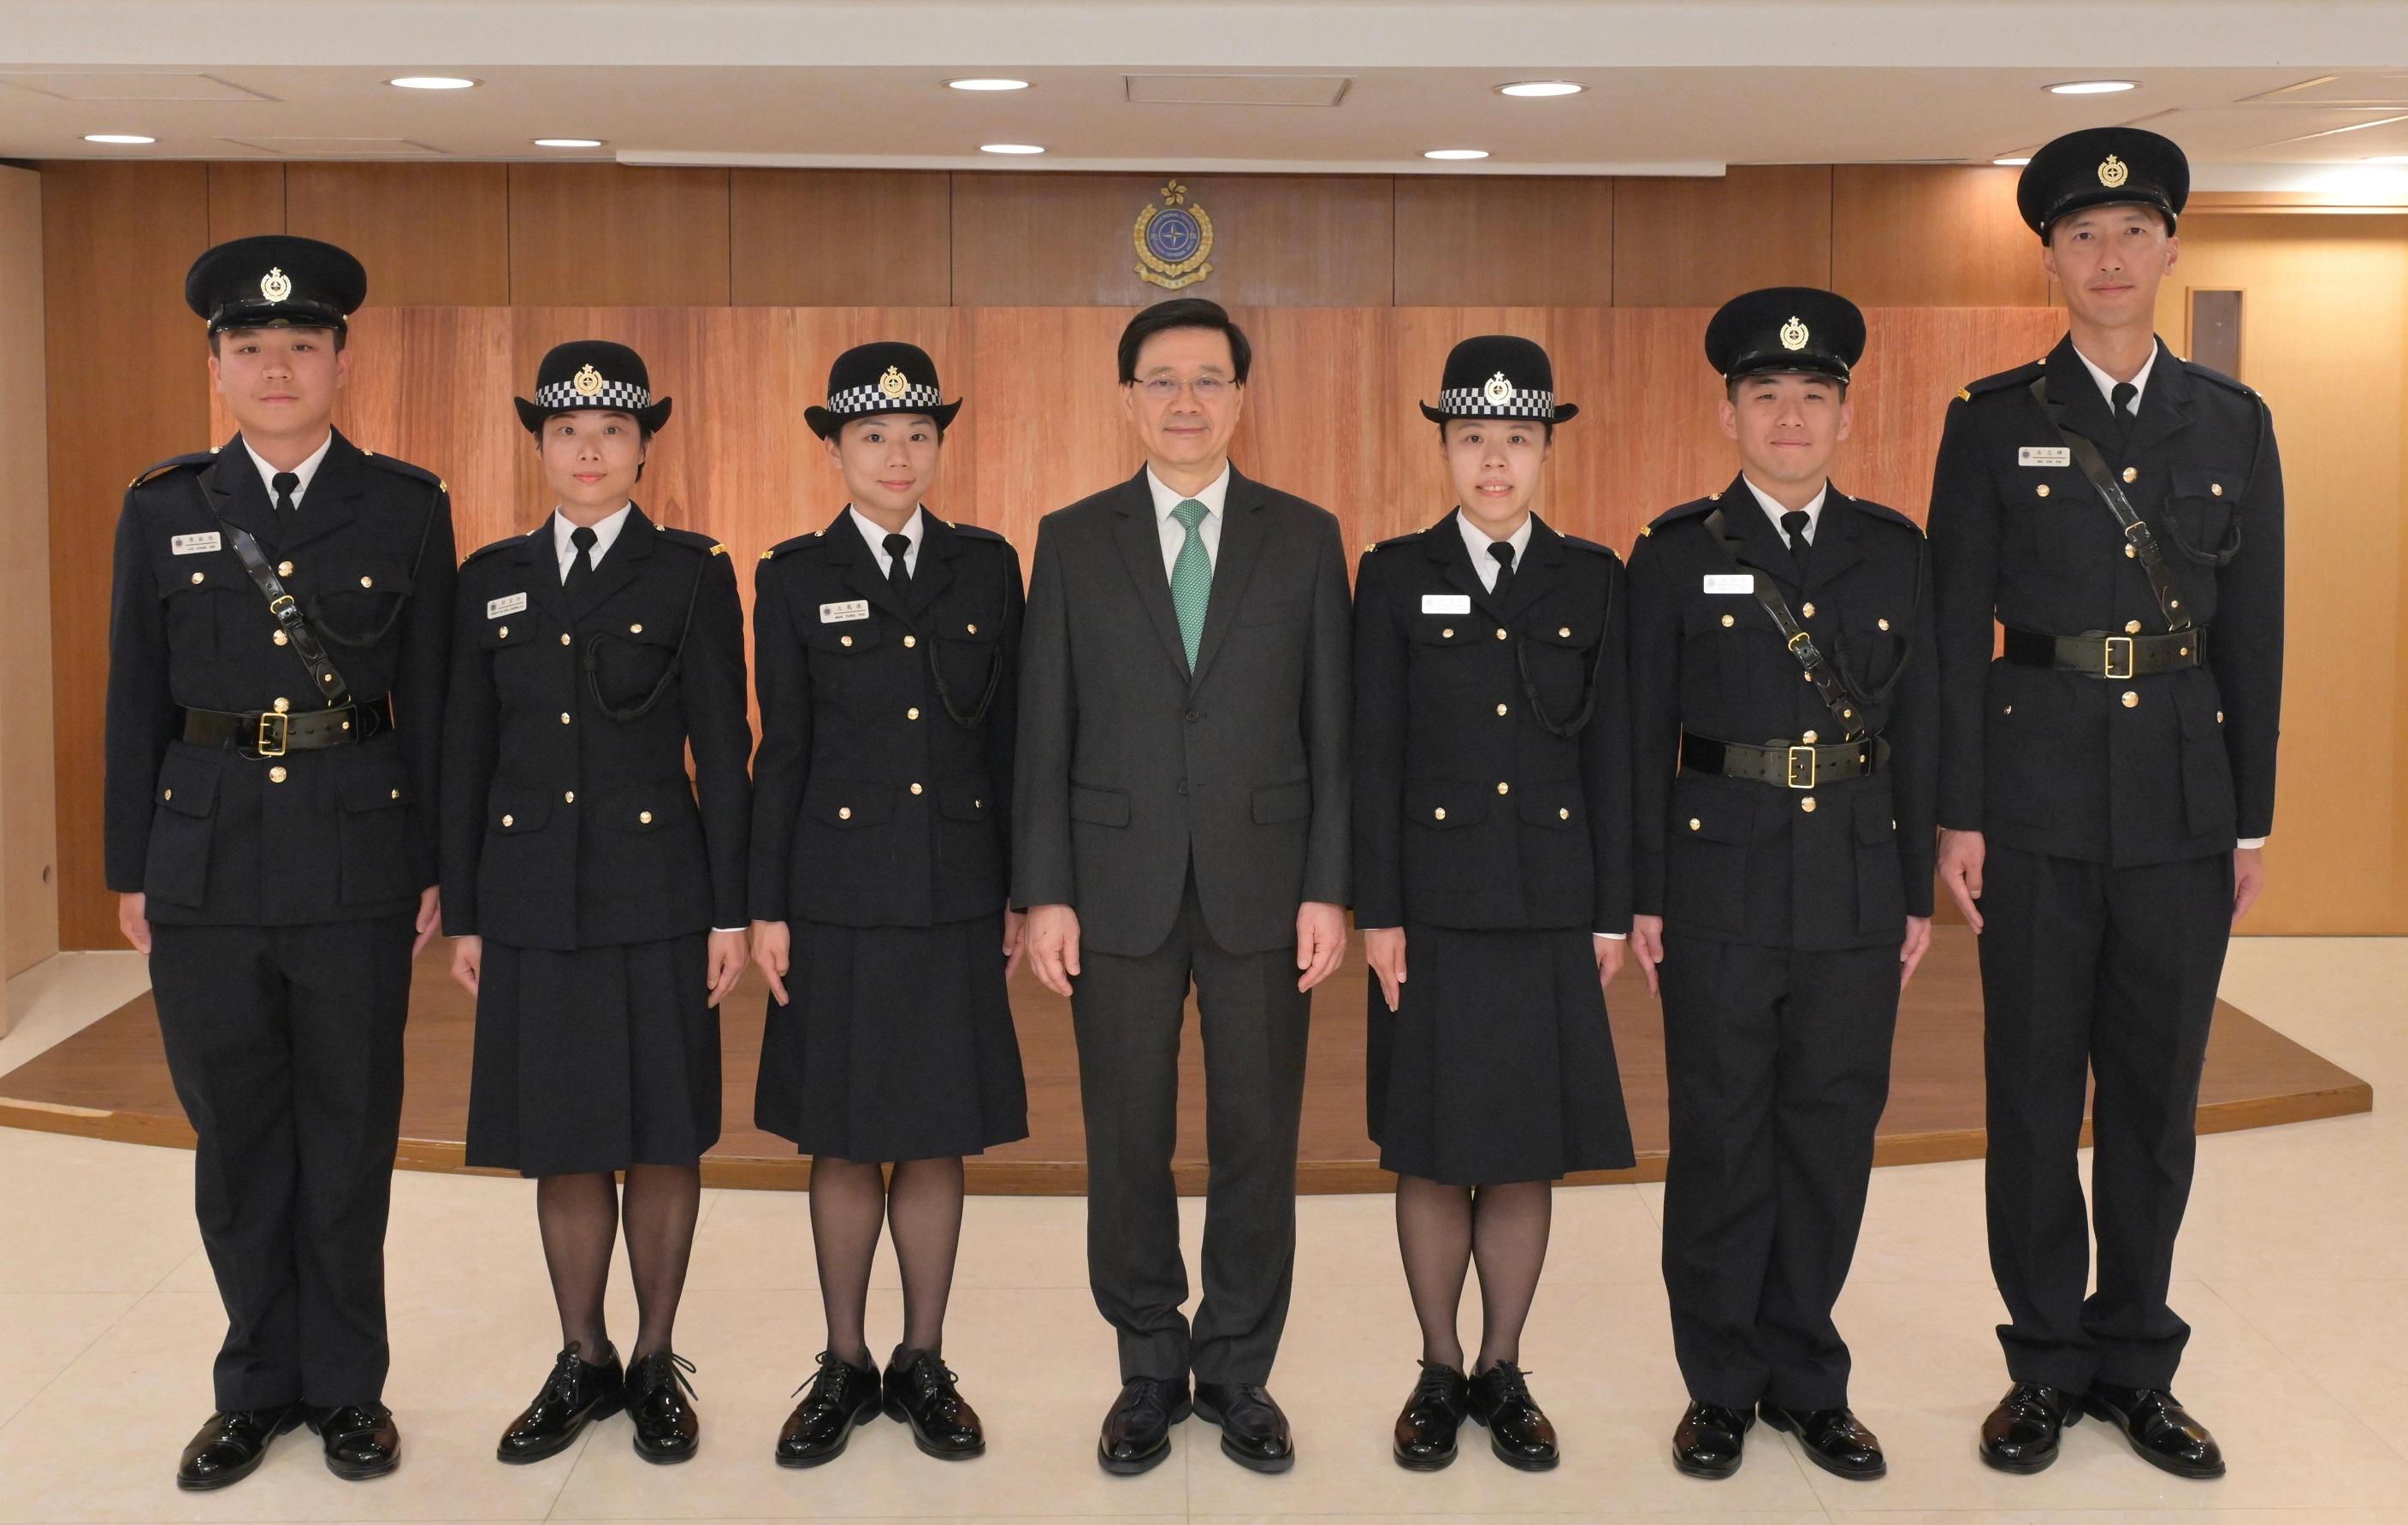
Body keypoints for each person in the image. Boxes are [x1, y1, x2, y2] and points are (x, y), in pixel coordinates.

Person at [1930, 127, 2282, 1481]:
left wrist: (2249, 817)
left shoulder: (2232, 423)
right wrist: (1957, 814)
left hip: (2184, 811)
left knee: (2153, 1099)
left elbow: (2258, 631)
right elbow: (1959, 629)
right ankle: (2044, 1365)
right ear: (2053, 258)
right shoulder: (1994, 419)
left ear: (2174, 247)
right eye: (2083, 235)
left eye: (2134, 232)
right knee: (2029, 1093)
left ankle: (2137, 1362)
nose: (2112, 256)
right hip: (2031, 806)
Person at [106, 235, 453, 1490]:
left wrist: (435, 866)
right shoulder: (165, 506)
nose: (276, 367)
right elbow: (130, 696)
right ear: (217, 363)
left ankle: (350, 1390)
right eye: (250, 348)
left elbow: (436, 701)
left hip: (357, 863)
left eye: (302, 345)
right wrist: (127, 863)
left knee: (352, 1132)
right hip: (201, 864)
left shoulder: (407, 504)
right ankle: (254, 1385)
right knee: (237, 1138)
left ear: (341, 361)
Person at [1014, 297, 1352, 1475]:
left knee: (1260, 1136)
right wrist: (1043, 891)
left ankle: (1240, 1371)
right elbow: (1041, 726)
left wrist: (1330, 887)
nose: (1187, 401)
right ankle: (1150, 1367)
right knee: (1127, 1135)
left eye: (1209, 379)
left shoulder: (1306, 536)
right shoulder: (1071, 537)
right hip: (1114, 886)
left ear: (1243, 396)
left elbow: (1333, 730)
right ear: (1127, 399)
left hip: (1268, 886)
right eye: (1162, 380)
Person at [1626, 287, 1938, 1483]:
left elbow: (1921, 730)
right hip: (1716, 889)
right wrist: (1644, 893)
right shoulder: (1675, 554)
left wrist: (1914, 890)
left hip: (1856, 885)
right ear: (1730, 413)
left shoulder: (1895, 551)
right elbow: (1638, 739)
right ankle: (1717, 1387)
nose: (1791, 416)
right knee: (1718, 1136)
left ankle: (1808, 1377)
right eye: (1768, 395)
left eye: (1813, 396)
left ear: (1845, 414)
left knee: (1828, 1136)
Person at [441, 340, 751, 1466]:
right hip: (530, 898)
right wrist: (467, 908)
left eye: (611, 431)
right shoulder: (491, 574)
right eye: (566, 432)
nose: (587, 450)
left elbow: (724, 745)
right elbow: (465, 752)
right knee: (564, 1139)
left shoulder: (690, 570)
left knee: (664, 1134)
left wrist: (731, 911)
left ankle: (658, 1358)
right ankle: (584, 1356)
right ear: (540, 444)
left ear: (642, 445)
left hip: (660, 893)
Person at [1352, 334, 1636, 1473]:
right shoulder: (1394, 571)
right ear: (1445, 446)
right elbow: (1372, 756)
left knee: (1523, 1153)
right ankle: (1436, 1365)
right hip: (1430, 905)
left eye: (1517, 439)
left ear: (1547, 447)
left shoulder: (1592, 576)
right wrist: (1378, 911)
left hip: (1550, 903)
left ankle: (1503, 1367)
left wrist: (1613, 910)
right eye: (1474, 438)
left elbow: (1614, 752)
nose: (1495, 462)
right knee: (1430, 1150)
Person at [748, 342, 1028, 1467]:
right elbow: (783, 750)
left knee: (935, 1132)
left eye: (918, 434)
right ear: (835, 448)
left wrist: (1020, 887)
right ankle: (843, 1360)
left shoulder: (986, 566)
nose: (898, 454)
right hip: (837, 893)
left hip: (957, 889)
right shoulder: (792, 574)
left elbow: (1008, 741)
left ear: (940, 445)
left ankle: (923, 1360)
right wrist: (766, 902)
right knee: (845, 1135)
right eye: (873, 436)